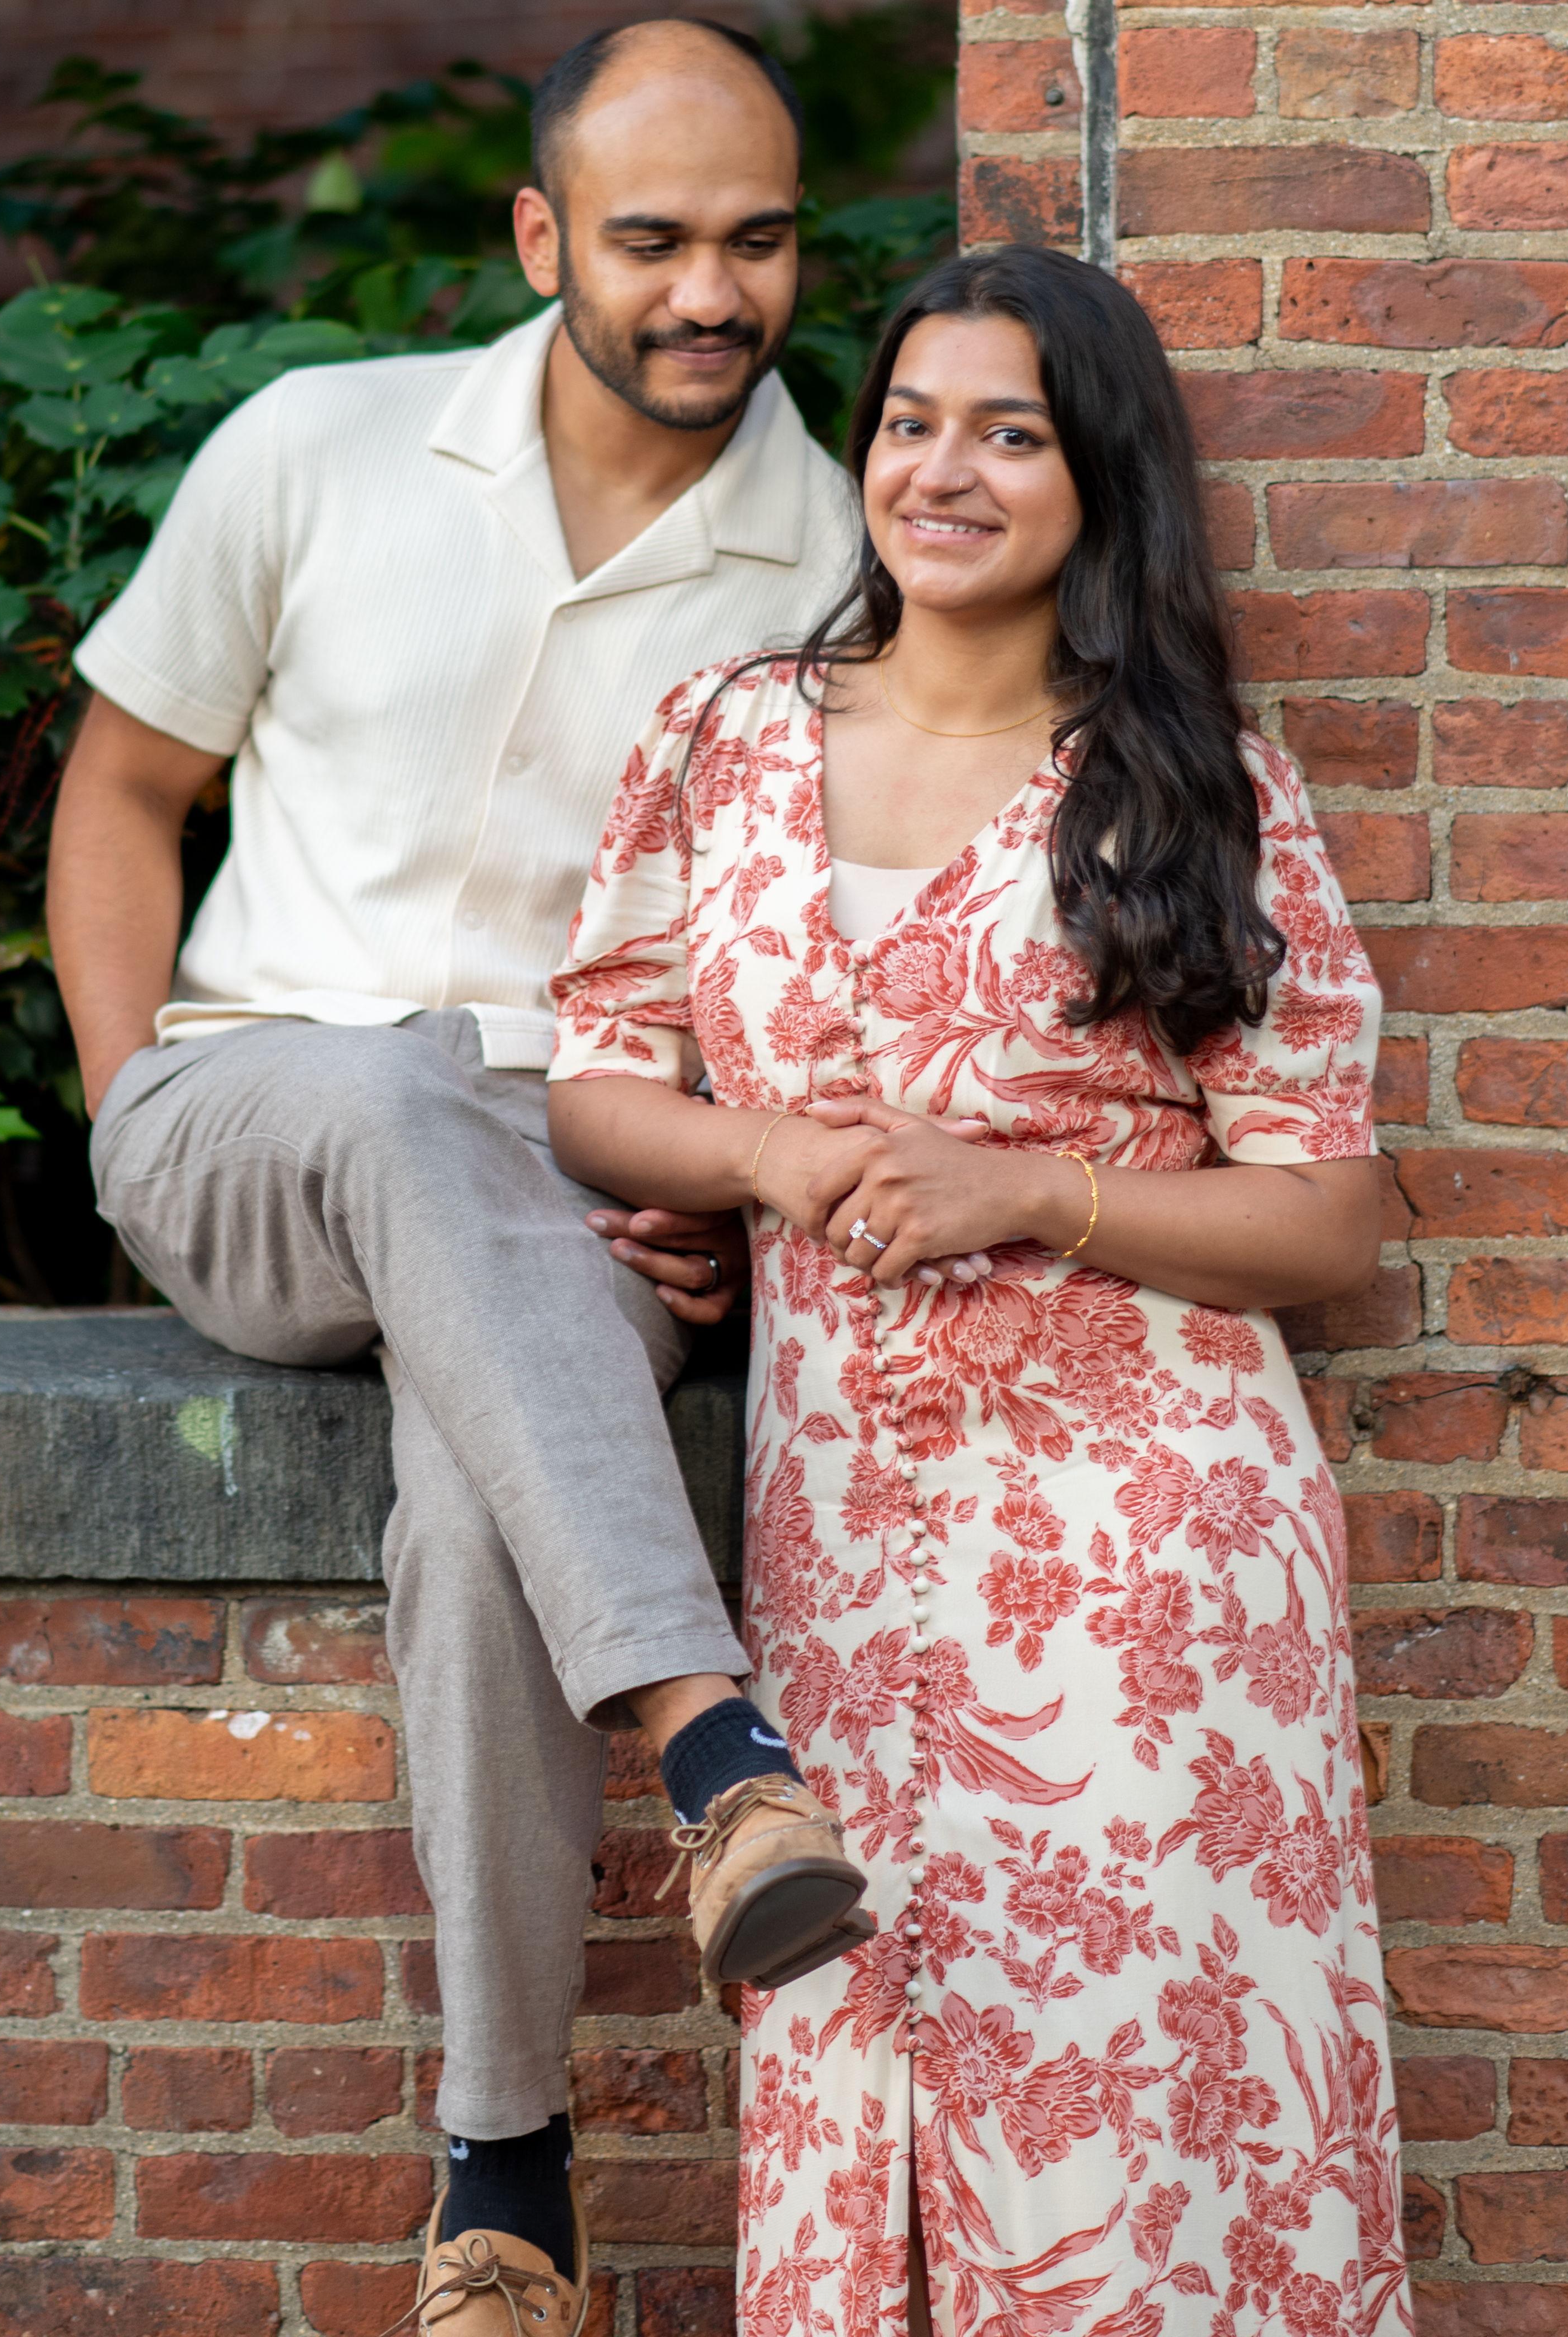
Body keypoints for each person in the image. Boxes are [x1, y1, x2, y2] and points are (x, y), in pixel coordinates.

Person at [51, 17, 883, 2337]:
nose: (712, 292)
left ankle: (505, 2178)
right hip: (257, 1113)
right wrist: (121, 1098)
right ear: (540, 238)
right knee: (402, 1090)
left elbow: (825, 944)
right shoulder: (317, 447)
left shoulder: (838, 562)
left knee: (471, 1513)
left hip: (579, 1178)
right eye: (654, 240)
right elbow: (124, 789)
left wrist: (718, 1190)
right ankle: (718, 1748)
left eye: (759, 240)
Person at [547, 243, 1413, 2337]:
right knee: (859, 2053)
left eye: (1007, 435)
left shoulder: (1190, 785)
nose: (941, 472)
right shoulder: (725, 738)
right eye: (910, 425)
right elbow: (594, 1080)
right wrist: (760, 1161)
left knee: (1136, 2109)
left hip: (1142, 1553)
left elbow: (1332, 1217)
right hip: (845, 1536)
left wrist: (1034, 1188)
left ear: (1098, 478)